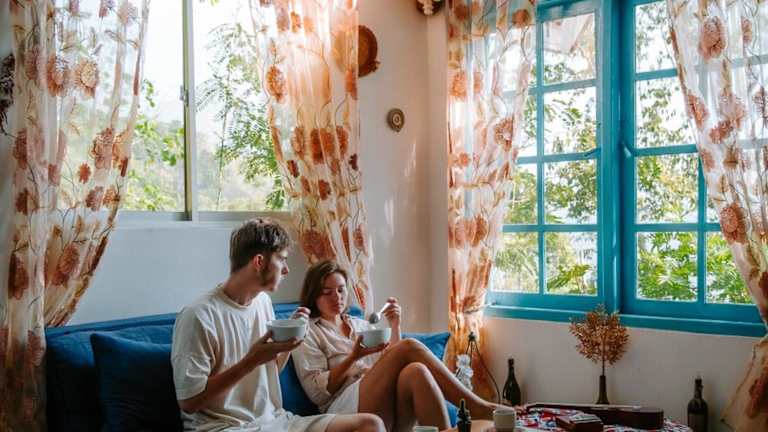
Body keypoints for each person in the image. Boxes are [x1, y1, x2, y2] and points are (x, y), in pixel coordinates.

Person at [171, 219, 385, 432]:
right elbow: (189, 402)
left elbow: (270, 369)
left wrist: (287, 344)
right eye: (282, 259)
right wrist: (251, 361)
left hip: (274, 421)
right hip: (224, 427)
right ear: (258, 261)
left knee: (370, 424)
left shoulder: (263, 302)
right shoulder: (198, 316)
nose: (287, 270)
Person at [292, 260, 503, 432]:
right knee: (408, 346)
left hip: (380, 401)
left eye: (340, 290)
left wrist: (395, 325)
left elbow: (390, 361)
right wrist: (353, 357)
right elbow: (317, 393)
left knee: (415, 371)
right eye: (327, 292)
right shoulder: (307, 330)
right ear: (313, 295)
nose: (337, 297)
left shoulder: (360, 324)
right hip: (344, 409)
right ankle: (476, 407)